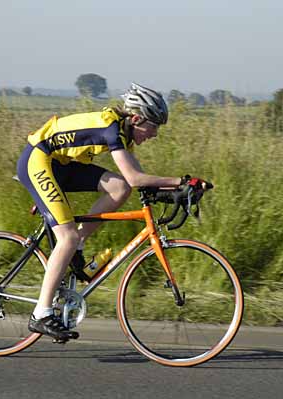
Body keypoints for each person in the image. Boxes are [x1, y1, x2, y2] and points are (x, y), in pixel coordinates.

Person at [16, 83, 186, 341]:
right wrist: (181, 181)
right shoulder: (111, 129)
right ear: (137, 118)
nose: (154, 134)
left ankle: (79, 244)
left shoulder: (123, 134)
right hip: (38, 160)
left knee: (118, 189)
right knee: (67, 237)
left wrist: (178, 189)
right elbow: (136, 177)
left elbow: (130, 182)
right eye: (153, 126)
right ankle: (41, 313)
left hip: (60, 165)